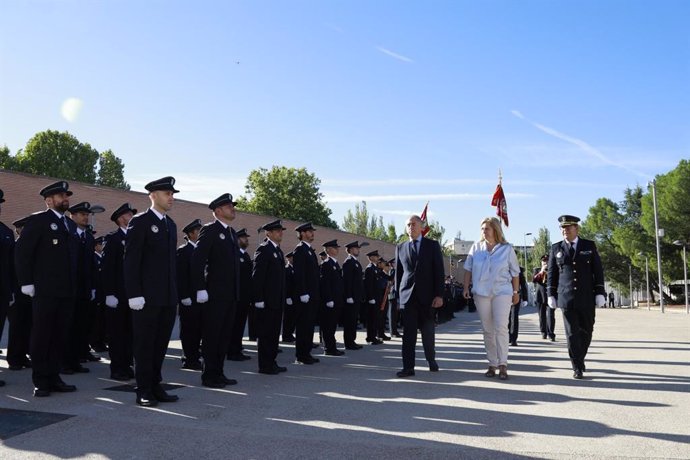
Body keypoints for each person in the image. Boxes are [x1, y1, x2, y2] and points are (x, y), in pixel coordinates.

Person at [15, 181, 80, 397]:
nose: (65, 199)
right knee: (42, 335)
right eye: (61, 196)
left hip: (66, 291)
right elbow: (23, 253)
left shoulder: (69, 225)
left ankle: (54, 376)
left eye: (66, 196)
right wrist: (26, 282)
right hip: (45, 290)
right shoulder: (39, 221)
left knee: (59, 335)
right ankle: (41, 380)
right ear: (49, 200)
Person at [124, 177, 180, 406]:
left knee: (160, 345)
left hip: (166, 297)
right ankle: (143, 389)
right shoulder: (141, 222)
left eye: (172, 194)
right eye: (167, 193)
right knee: (145, 345)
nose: (171, 198)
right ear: (153, 195)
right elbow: (131, 261)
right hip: (146, 298)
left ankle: (156, 385)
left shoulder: (171, 225)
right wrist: (134, 293)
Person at [191, 193, 241, 388]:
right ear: (218, 211)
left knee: (223, 336)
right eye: (229, 206)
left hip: (230, 294)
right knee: (212, 335)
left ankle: (219, 372)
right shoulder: (210, 230)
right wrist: (200, 288)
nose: (233, 209)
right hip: (215, 293)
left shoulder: (231, 233)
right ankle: (209, 376)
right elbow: (198, 260)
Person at [547, 214, 605, 379]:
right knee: (572, 334)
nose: (565, 230)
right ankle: (577, 366)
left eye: (568, 227)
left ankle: (580, 357)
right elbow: (552, 274)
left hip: (587, 296)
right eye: (562, 228)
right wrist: (551, 294)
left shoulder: (589, 245)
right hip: (566, 298)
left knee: (587, 331)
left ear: (576, 228)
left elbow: (597, 270)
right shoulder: (556, 248)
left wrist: (600, 292)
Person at [463, 217, 520, 380]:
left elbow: (515, 272)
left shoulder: (506, 249)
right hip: (481, 293)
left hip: (502, 291)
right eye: (482, 229)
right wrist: (466, 288)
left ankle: (503, 364)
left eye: (487, 228)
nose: (484, 231)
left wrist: (516, 292)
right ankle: (492, 364)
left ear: (495, 230)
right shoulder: (476, 248)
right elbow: (467, 269)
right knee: (488, 330)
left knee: (501, 327)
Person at [395, 215, 444, 378]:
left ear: (422, 226)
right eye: (408, 225)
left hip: (427, 297)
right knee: (408, 334)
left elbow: (439, 271)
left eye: (414, 224)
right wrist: (397, 298)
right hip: (407, 296)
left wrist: (439, 295)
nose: (411, 227)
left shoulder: (432, 245)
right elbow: (399, 274)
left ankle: (431, 359)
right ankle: (408, 367)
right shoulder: (400, 247)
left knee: (427, 332)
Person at [102, 203, 137, 381]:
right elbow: (107, 268)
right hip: (117, 295)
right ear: (121, 219)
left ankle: (127, 365)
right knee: (117, 335)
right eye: (130, 214)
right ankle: (117, 368)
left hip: (133, 295)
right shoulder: (113, 239)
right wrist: (109, 293)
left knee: (130, 334)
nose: (132, 217)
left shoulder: (136, 238)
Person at [62, 201, 97, 374]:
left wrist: (92, 287)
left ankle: (75, 360)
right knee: (66, 327)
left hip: (83, 290)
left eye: (87, 214)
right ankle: (63, 362)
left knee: (80, 326)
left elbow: (90, 265)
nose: (86, 217)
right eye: (82, 214)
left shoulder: (88, 237)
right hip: (69, 288)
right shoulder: (67, 234)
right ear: (72, 216)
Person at [252, 220, 288, 374]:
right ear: (268, 233)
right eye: (277, 231)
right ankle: (264, 365)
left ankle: (272, 361)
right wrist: (258, 298)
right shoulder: (263, 249)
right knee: (266, 334)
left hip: (276, 300)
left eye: (281, 230)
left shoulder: (278, 251)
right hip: (266, 300)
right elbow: (257, 277)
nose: (280, 233)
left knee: (274, 333)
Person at [6, 215, 33, 372]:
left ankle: (22, 355)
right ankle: (14, 358)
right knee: (16, 327)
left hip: (28, 293)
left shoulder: (29, 246)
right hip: (17, 292)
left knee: (27, 325)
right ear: (18, 230)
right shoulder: (16, 246)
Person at [291, 222, 321, 365]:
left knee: (309, 326)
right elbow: (299, 274)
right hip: (305, 296)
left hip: (312, 295)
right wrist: (302, 292)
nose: (312, 233)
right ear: (302, 234)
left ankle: (306, 353)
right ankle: (301, 355)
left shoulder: (309, 250)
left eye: (312, 231)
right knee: (303, 326)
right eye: (309, 231)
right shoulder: (300, 250)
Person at [176, 218, 203, 370]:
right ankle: (188, 358)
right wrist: (184, 295)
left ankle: (195, 356)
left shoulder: (200, 250)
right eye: (198, 231)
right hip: (189, 297)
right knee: (188, 330)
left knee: (198, 329)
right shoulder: (183, 250)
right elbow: (181, 276)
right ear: (191, 234)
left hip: (200, 297)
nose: (200, 233)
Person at [228, 228, 252, 362]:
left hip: (244, 297)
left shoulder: (245, 255)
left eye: (246, 238)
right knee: (234, 325)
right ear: (237, 240)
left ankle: (237, 348)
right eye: (243, 238)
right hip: (237, 296)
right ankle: (232, 351)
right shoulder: (235, 254)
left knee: (240, 324)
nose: (246, 240)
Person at [319, 239, 345, 356]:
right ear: (328, 250)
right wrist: (328, 299)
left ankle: (332, 346)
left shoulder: (335, 263)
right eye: (335, 248)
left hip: (337, 299)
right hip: (330, 301)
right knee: (328, 325)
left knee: (332, 325)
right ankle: (328, 348)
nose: (337, 249)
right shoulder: (326, 264)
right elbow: (325, 283)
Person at [341, 241, 364, 349]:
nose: (358, 250)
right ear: (350, 250)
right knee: (349, 320)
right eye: (356, 248)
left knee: (354, 320)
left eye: (358, 248)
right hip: (351, 297)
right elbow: (347, 281)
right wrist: (348, 295)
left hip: (356, 296)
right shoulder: (348, 262)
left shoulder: (356, 262)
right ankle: (348, 342)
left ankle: (352, 340)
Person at [533, 255, 556, 341]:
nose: (545, 262)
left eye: (547, 261)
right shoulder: (537, 270)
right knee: (541, 315)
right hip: (540, 296)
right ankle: (543, 332)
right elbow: (534, 280)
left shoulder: (553, 269)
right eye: (544, 261)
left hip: (551, 295)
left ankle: (551, 333)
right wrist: (541, 271)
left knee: (550, 315)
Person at [364, 250, 383, 345]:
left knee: (375, 318)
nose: (377, 258)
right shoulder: (369, 268)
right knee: (372, 319)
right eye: (375, 256)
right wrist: (371, 297)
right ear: (371, 258)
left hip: (377, 297)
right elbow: (369, 285)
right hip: (372, 299)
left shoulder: (375, 268)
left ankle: (372, 336)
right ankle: (371, 337)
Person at [508, 266, 529, 346]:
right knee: (506, 317)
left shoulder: (518, 269)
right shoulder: (502, 266)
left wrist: (525, 298)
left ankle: (513, 339)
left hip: (516, 295)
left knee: (514, 316)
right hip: (503, 295)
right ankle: (508, 336)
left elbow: (523, 284)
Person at [281, 251, 296, 343]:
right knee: (288, 318)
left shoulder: (294, 269)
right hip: (289, 298)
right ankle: (286, 336)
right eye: (292, 258)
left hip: (294, 297)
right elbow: (286, 285)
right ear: (289, 258)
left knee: (293, 318)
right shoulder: (287, 269)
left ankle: (290, 334)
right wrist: (287, 297)